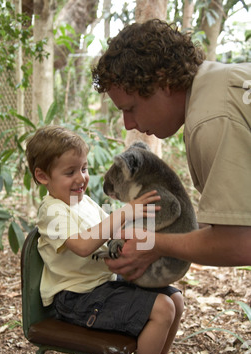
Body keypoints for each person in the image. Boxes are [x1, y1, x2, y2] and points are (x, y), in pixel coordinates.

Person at [26, 124, 190, 354]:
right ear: (43, 177)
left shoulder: (84, 203)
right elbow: (85, 245)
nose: (81, 178)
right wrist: (125, 212)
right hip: (74, 300)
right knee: (160, 308)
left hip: (102, 290)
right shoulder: (52, 212)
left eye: (84, 168)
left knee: (175, 299)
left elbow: (110, 236)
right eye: (70, 172)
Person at [92, 18, 251, 283]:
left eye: (130, 108)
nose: (129, 124)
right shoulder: (220, 82)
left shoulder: (210, 119)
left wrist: (156, 244)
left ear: (163, 82)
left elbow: (239, 242)